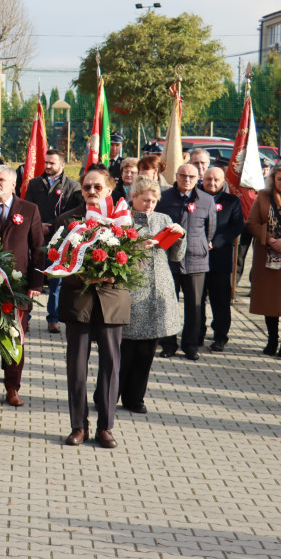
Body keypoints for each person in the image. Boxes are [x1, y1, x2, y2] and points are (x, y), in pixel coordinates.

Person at [54, 168, 129, 449]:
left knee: (110, 365)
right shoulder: (67, 220)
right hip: (79, 302)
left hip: (112, 302)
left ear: (109, 190)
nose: (92, 191)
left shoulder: (124, 220)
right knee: (76, 367)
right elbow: (55, 260)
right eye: (87, 187)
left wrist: (115, 273)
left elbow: (138, 262)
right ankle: (78, 426)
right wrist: (81, 275)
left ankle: (106, 428)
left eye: (98, 187)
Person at [0, 165, 44, 407]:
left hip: (19, 286)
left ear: (13, 184)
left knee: (15, 337)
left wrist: (36, 283)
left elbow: (38, 249)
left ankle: (12, 387)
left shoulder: (29, 209)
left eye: (1, 180)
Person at [121, 177, 186, 414]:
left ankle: (135, 399)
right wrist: (138, 246)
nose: (150, 205)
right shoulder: (123, 219)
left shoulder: (163, 219)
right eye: (145, 200)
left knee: (146, 354)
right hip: (131, 295)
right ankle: (107, 395)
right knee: (123, 353)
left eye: (154, 200)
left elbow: (176, 256)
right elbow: (116, 254)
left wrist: (180, 235)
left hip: (158, 294)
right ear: (134, 197)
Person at [157, 163, 216, 361]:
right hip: (169, 260)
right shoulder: (163, 198)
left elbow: (210, 229)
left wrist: (199, 244)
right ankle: (168, 344)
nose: (187, 180)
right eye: (183, 175)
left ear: (197, 178)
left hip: (196, 261)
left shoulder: (206, 200)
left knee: (194, 306)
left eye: (192, 176)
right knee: (168, 304)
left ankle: (190, 346)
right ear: (176, 176)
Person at [24, 148, 83, 333]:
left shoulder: (73, 187)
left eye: (52, 163)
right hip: (36, 240)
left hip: (59, 242)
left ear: (62, 165)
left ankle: (53, 319)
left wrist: (54, 228)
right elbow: (27, 208)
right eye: (46, 162)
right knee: (31, 280)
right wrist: (36, 226)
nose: (48, 166)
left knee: (56, 283)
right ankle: (26, 317)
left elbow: (75, 217)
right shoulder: (34, 184)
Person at [201, 167, 243, 352]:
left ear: (223, 181)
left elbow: (236, 227)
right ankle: (196, 333)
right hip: (197, 258)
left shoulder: (232, 201)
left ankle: (220, 336)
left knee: (220, 300)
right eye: (208, 179)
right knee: (197, 299)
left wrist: (214, 243)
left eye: (216, 180)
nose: (212, 183)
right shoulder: (196, 198)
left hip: (220, 258)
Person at [248, 163, 281, 356]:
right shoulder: (262, 196)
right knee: (270, 302)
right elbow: (252, 223)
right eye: (279, 179)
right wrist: (268, 239)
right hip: (267, 259)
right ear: (273, 179)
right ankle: (272, 341)